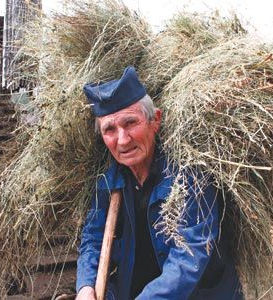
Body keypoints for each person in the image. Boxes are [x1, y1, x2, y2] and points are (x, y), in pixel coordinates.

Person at [76, 66, 243, 300]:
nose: (122, 140)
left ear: (155, 120)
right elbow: (93, 238)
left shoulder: (190, 175)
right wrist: (85, 287)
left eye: (131, 123)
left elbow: (190, 255)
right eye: (110, 129)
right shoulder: (108, 181)